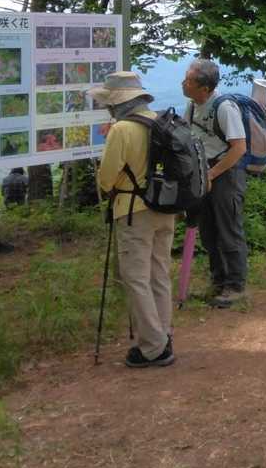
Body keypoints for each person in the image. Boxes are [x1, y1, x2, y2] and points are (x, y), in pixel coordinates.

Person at [87, 71, 176, 369]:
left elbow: (106, 178)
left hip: (133, 211)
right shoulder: (160, 121)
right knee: (159, 274)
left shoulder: (122, 129)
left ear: (117, 102)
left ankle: (153, 347)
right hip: (165, 206)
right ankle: (162, 334)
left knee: (136, 278)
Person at [182, 59, 248, 308]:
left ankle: (235, 286)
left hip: (226, 174)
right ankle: (218, 282)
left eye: (189, 81)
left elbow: (239, 148)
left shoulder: (224, 107)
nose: (183, 84)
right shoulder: (192, 106)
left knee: (228, 229)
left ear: (205, 88)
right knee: (208, 231)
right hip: (204, 172)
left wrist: (211, 174)